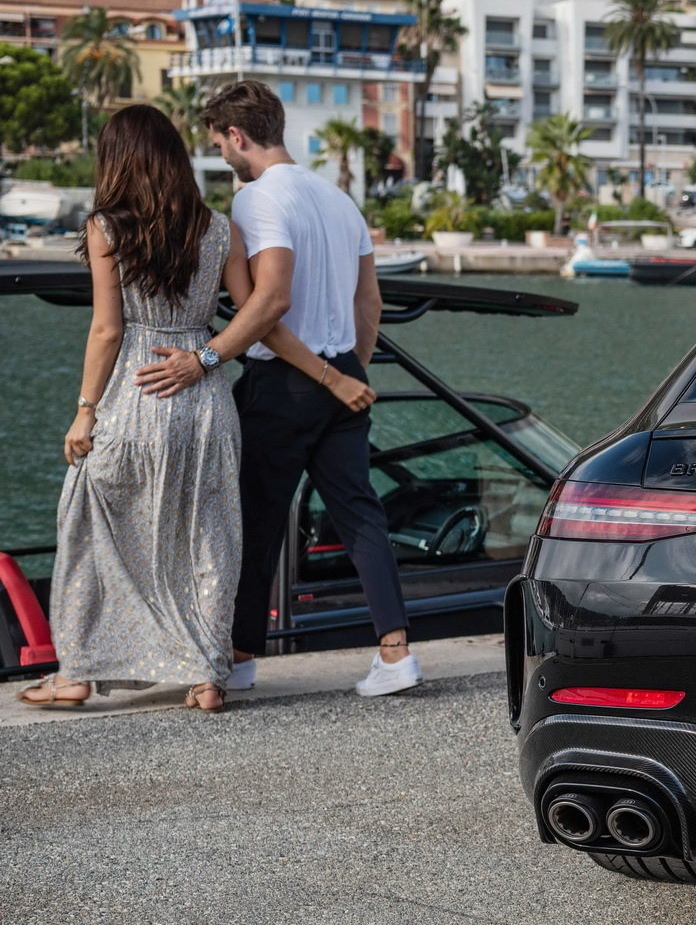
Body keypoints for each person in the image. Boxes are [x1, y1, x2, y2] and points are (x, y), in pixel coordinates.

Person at [18, 106, 334, 712]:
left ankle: (78, 672)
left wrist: (85, 410)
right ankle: (207, 676)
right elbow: (253, 311)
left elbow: (107, 330)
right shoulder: (218, 227)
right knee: (207, 535)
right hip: (205, 398)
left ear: (117, 160)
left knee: (91, 528)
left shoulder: (107, 227)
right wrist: (207, 357)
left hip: (137, 392)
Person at [170, 79, 421, 698]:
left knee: (252, 520)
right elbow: (371, 299)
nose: (221, 156)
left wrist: (204, 358)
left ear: (237, 136)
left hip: (286, 384)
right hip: (340, 377)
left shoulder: (257, 201)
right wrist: (348, 372)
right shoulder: (339, 199)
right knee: (360, 511)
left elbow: (270, 303)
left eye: (219, 143)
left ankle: (239, 656)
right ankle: (395, 655)